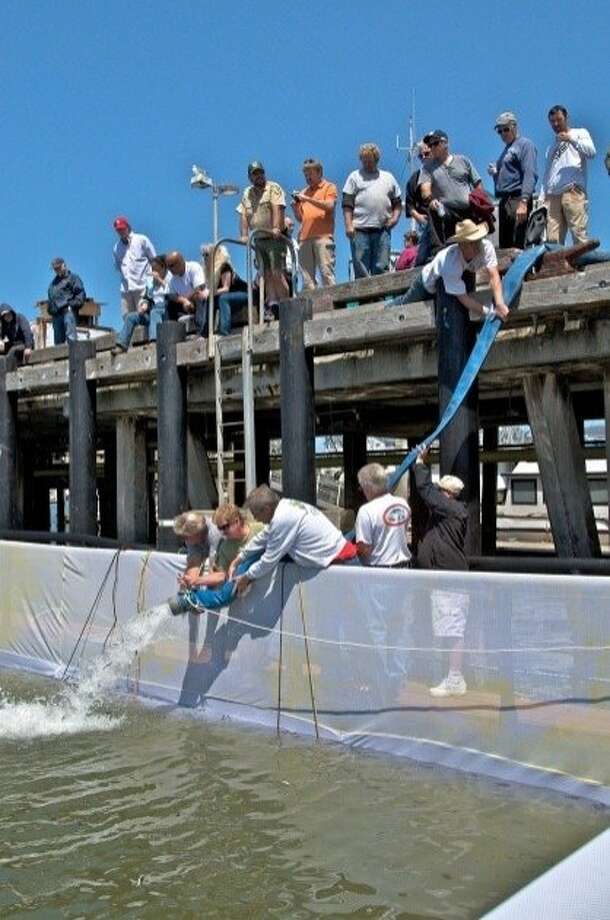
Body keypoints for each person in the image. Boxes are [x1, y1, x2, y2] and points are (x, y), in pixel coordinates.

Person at [230, 485, 357, 595]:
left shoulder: (282, 519)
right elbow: (264, 536)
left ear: (267, 509)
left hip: (341, 562)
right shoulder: (285, 504)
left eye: (256, 514)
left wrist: (247, 577)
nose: (256, 519)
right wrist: (239, 558)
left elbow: (269, 560)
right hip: (339, 552)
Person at [414, 448, 469, 697]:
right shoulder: (450, 512)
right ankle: (450, 675)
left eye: (441, 493)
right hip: (442, 580)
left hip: (449, 580)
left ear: (447, 495)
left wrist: (420, 463)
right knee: (447, 628)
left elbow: (425, 491)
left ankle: (455, 678)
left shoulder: (451, 510)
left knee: (453, 630)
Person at [394, 219, 509, 321]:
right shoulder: (450, 262)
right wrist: (488, 312)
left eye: (477, 240)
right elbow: (463, 298)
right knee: (405, 303)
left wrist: (499, 303)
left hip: (444, 285)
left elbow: (494, 275)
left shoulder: (486, 247)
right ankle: (384, 309)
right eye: (471, 243)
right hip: (426, 284)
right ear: (462, 245)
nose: (476, 245)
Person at [342, 143, 402, 278]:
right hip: (359, 230)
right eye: (364, 160)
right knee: (361, 269)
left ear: (376, 159)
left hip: (382, 230)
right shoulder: (354, 177)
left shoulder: (388, 177)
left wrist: (395, 219)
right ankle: (365, 299)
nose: (367, 163)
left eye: (369, 160)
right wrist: (348, 225)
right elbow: (347, 203)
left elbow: (397, 203)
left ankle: (380, 298)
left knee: (381, 268)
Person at [238, 162, 288, 320]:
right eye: (255, 174)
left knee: (276, 272)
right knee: (265, 273)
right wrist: (244, 235)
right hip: (259, 238)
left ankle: (286, 302)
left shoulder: (273, 187)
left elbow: (277, 208)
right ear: (250, 177)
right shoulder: (247, 192)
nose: (258, 176)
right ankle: (273, 304)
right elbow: (244, 214)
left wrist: (276, 228)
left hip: (273, 237)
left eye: (260, 172)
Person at [540, 105, 596, 245]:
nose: (556, 124)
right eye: (552, 121)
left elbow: (591, 152)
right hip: (552, 196)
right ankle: (559, 266)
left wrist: (570, 139)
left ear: (566, 118)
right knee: (552, 239)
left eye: (559, 119)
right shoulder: (551, 147)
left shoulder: (579, 133)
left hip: (572, 190)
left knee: (578, 232)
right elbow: (547, 173)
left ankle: (582, 264)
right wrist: (542, 197)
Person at [418, 130, 482, 247]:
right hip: (447, 212)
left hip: (469, 210)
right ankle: (441, 248)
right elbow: (425, 189)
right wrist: (431, 200)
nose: (432, 147)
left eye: (435, 143)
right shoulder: (427, 168)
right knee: (435, 212)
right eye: (430, 145)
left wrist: (479, 202)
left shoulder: (463, 161)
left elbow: (477, 183)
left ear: (445, 143)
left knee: (474, 244)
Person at [488, 112, 538, 249]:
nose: (503, 134)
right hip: (505, 202)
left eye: (506, 129)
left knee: (518, 245)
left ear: (514, 127)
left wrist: (524, 202)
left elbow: (529, 173)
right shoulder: (506, 150)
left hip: (518, 199)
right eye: (500, 131)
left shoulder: (525, 145)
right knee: (505, 247)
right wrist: (496, 174)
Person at [291, 157, 337, 289]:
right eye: (305, 174)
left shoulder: (329, 187)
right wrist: (295, 208)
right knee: (307, 280)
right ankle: (313, 309)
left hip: (323, 237)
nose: (307, 177)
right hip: (305, 239)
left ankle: (333, 306)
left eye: (310, 173)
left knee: (326, 274)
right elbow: (301, 218)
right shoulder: (304, 192)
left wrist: (307, 199)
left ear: (319, 172)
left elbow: (329, 206)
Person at [355, 463, 411, 568]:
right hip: (404, 567)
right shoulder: (403, 504)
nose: (362, 491)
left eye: (361, 487)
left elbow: (365, 549)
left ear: (368, 487)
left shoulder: (366, 511)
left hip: (379, 571)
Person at [112, 255, 170, 354]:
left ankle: (153, 342)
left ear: (163, 268)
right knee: (131, 317)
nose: (155, 272)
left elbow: (172, 292)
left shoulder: (170, 277)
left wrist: (160, 280)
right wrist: (144, 304)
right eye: (153, 269)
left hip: (166, 312)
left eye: (157, 269)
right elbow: (147, 297)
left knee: (155, 312)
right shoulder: (151, 283)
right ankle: (121, 345)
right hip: (153, 313)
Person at [112, 216, 157, 316]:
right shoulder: (116, 248)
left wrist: (151, 282)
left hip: (142, 287)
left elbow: (154, 259)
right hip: (126, 289)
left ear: (128, 227)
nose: (121, 231)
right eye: (118, 230)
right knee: (127, 318)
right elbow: (118, 267)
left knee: (143, 317)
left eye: (122, 228)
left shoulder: (141, 240)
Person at [201, 244, 249, 337]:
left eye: (207, 254)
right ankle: (205, 333)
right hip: (229, 297)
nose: (204, 257)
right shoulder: (210, 272)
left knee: (223, 298)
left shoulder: (224, 266)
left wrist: (210, 293)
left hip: (244, 294)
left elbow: (226, 289)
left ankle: (224, 332)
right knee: (210, 300)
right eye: (203, 255)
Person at [165, 250, 209, 336]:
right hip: (186, 304)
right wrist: (184, 301)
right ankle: (172, 335)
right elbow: (171, 296)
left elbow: (199, 288)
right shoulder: (172, 279)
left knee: (199, 296)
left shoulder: (193, 267)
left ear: (180, 262)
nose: (169, 270)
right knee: (169, 304)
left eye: (171, 266)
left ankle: (201, 333)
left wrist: (188, 300)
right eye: (168, 267)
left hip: (199, 301)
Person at [405, 140, 433, 266]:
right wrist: (419, 217)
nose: (424, 158)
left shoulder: (443, 171)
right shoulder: (414, 178)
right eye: (420, 156)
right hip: (425, 221)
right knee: (424, 255)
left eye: (426, 154)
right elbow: (409, 204)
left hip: (445, 218)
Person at [47, 257, 86, 345]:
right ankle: (59, 358)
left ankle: (74, 356)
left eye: (58, 268)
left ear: (64, 265)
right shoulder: (53, 284)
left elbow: (80, 296)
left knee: (71, 338)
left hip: (68, 312)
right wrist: (51, 310)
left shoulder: (73, 278)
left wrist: (69, 305)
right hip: (57, 315)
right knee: (58, 343)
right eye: (55, 269)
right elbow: (50, 299)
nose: (57, 270)